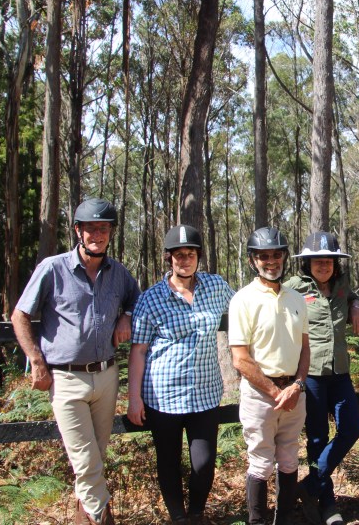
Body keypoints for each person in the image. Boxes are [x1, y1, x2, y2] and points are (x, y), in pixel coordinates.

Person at [11, 198, 140, 525]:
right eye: (90, 228)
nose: (97, 234)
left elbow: (136, 299)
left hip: (106, 376)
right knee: (86, 461)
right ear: (78, 231)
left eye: (103, 228)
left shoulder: (118, 273)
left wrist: (126, 315)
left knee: (95, 457)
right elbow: (20, 315)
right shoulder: (53, 269)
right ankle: (102, 519)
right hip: (66, 379)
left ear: (110, 232)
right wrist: (36, 360)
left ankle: (84, 516)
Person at [127, 224, 235, 524]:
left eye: (190, 254)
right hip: (163, 396)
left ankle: (197, 513)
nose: (184, 260)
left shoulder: (216, 287)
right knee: (168, 461)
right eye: (178, 255)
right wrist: (133, 397)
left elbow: (246, 307)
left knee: (204, 463)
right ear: (169, 258)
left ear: (199, 257)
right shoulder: (151, 298)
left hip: (205, 394)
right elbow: (138, 351)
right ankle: (179, 517)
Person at [228, 227, 310, 525]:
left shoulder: (297, 298)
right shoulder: (243, 300)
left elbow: (305, 348)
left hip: (294, 392)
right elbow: (240, 359)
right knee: (261, 462)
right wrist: (277, 393)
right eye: (263, 256)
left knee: (289, 459)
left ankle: (285, 519)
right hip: (260, 395)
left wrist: (297, 385)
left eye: (276, 255)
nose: (271, 261)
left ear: (284, 257)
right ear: (253, 260)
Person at [285, 232, 359, 525]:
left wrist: (355, 304)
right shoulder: (295, 286)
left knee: (351, 428)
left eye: (328, 260)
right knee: (317, 438)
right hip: (312, 374)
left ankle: (309, 486)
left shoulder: (341, 285)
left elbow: (352, 295)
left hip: (340, 371)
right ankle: (328, 504)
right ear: (307, 263)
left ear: (335, 263)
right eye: (317, 260)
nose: (323, 265)